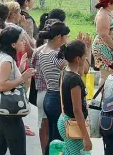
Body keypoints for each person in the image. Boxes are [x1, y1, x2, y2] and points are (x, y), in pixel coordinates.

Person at [0, 27, 36, 155]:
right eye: (21, 40)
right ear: (13, 44)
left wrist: (20, 68)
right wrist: (22, 78)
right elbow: (1, 85)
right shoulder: (6, 61)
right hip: (8, 113)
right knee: (18, 150)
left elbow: (7, 78)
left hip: (3, 112)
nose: (24, 43)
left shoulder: (5, 57)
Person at [34, 21, 69, 152]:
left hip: (49, 96)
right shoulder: (54, 55)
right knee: (58, 138)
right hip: (57, 97)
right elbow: (73, 68)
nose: (67, 39)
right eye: (66, 36)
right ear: (59, 37)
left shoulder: (42, 51)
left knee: (53, 135)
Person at [57, 40, 92, 155]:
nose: (86, 57)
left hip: (65, 119)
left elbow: (81, 73)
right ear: (78, 59)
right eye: (85, 55)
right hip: (73, 124)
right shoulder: (74, 80)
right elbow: (77, 110)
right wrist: (86, 137)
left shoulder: (66, 72)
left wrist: (88, 47)